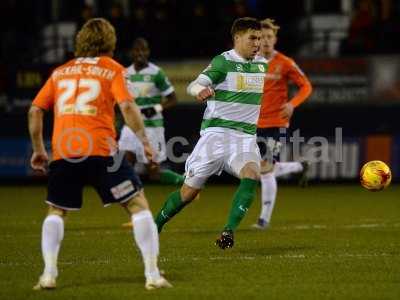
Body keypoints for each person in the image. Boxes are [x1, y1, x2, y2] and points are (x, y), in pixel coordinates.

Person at [29, 18, 171, 290]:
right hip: (102, 151)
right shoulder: (112, 69)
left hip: (64, 153)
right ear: (110, 41)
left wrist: (38, 150)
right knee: (138, 205)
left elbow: (35, 110)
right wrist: (145, 142)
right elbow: (128, 108)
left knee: (56, 210)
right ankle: (152, 276)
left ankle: (48, 275)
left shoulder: (60, 72)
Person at [154, 17, 268, 249]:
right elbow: (193, 85)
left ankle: (228, 232)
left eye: (260, 38)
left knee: (252, 175)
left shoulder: (262, 64)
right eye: (252, 38)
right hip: (216, 136)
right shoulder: (223, 62)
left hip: (245, 138)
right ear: (237, 38)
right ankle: (154, 227)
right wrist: (201, 90)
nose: (258, 43)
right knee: (188, 194)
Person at [252, 18, 312, 230]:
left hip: (277, 122)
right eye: (262, 37)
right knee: (258, 169)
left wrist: (292, 104)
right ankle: (299, 166)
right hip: (254, 123)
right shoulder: (251, 62)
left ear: (275, 39)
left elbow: (306, 86)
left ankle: (263, 220)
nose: (266, 41)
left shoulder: (285, 63)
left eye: (269, 37)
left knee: (266, 168)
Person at [118, 37, 184, 185]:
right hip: (131, 126)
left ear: (148, 52)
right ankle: (131, 197)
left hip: (151, 126)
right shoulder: (125, 73)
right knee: (125, 165)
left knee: (153, 171)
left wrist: (155, 108)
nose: (140, 53)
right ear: (131, 53)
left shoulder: (156, 73)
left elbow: (173, 99)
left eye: (144, 49)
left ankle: (185, 183)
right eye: (137, 49)